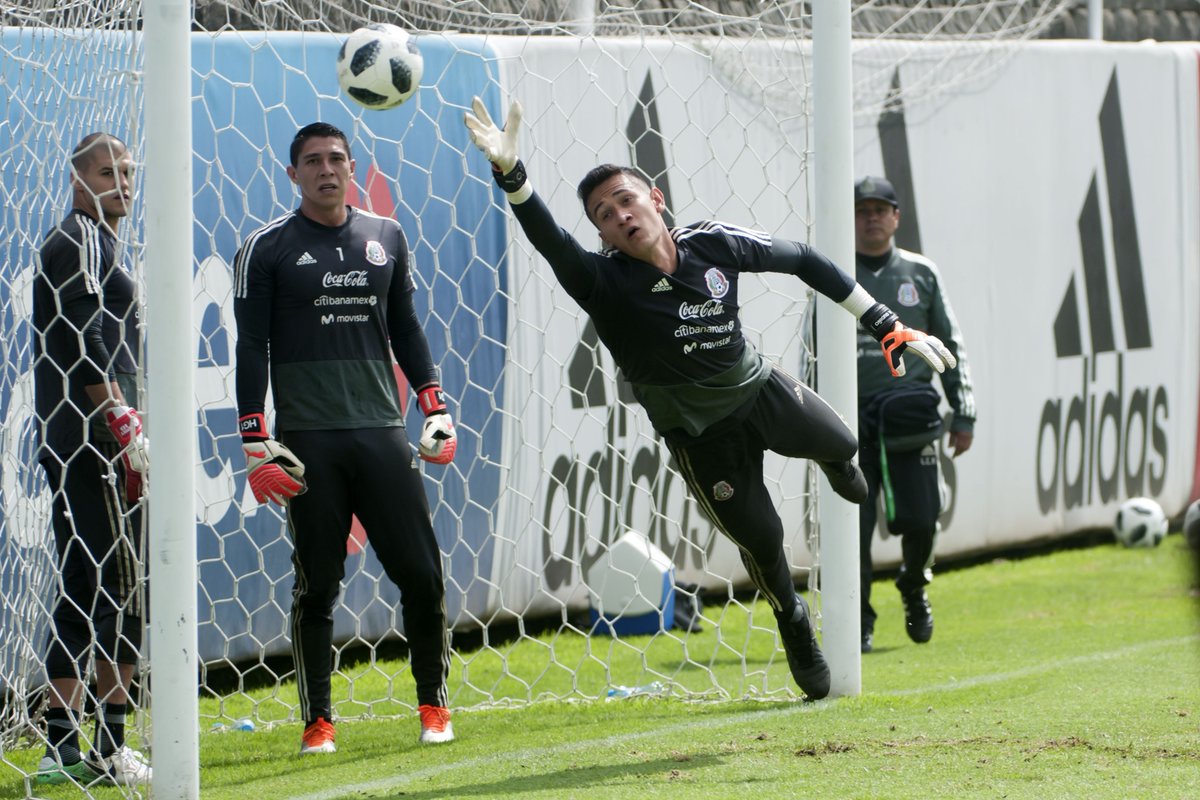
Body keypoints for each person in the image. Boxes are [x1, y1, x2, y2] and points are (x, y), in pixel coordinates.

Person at [464, 99, 956, 699]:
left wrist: (881, 320)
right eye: (603, 214)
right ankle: (793, 622)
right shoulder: (604, 282)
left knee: (845, 444)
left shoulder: (713, 244)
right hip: (702, 438)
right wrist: (513, 177)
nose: (619, 215)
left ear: (655, 200)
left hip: (761, 392)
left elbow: (801, 259)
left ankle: (834, 460)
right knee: (765, 544)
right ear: (600, 234)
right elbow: (548, 240)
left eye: (625, 199)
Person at [233, 122, 457, 754]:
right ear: (292, 174)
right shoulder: (266, 248)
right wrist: (254, 434)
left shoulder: (385, 236)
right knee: (318, 586)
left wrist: (433, 404)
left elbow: (406, 326)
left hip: (383, 434)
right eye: (312, 161)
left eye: (336, 159)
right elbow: (251, 344)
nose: (326, 170)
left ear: (352, 168)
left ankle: (434, 707)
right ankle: (318, 722)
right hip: (308, 442)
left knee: (421, 575)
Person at [32, 132, 152, 786]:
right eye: (108, 172)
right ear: (80, 181)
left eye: (128, 171)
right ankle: (110, 746)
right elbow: (88, 335)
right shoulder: (76, 239)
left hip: (89, 435)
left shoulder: (100, 243)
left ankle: (60, 744)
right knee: (122, 583)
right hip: (94, 437)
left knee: (85, 581)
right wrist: (122, 419)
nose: (122, 183)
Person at [853, 176, 975, 653]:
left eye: (881, 209)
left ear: (896, 217)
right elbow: (812, 348)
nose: (872, 217)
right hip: (853, 423)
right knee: (853, 528)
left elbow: (951, 347)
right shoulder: (835, 273)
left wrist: (963, 414)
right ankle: (856, 620)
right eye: (863, 210)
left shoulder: (921, 273)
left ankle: (913, 585)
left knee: (924, 517)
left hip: (910, 418)